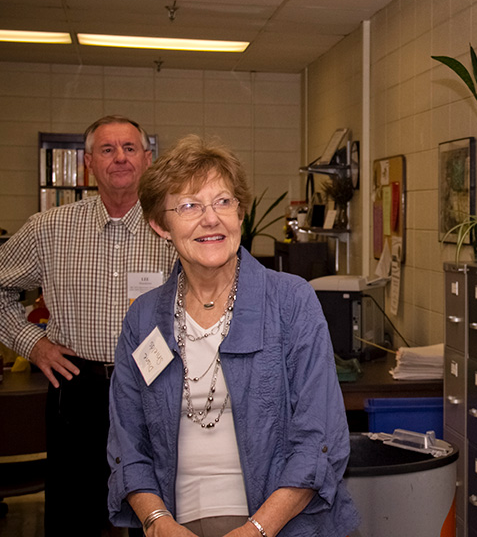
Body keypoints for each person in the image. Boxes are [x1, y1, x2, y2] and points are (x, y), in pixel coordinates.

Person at [107, 136, 359, 537]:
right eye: (189, 206)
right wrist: (156, 521)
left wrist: (257, 529)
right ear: (160, 225)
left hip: (280, 523)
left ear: (240, 213)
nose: (211, 219)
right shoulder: (143, 320)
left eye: (223, 202)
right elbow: (127, 441)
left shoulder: (291, 302)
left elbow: (319, 440)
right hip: (173, 522)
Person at [0, 115, 176, 535]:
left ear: (147, 160)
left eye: (130, 149)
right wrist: (34, 344)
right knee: (74, 512)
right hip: (76, 386)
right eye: (107, 149)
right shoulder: (48, 229)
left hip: (156, 385)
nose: (120, 158)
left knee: (156, 510)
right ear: (88, 163)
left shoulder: (174, 227)